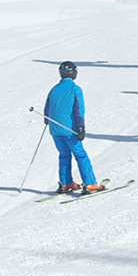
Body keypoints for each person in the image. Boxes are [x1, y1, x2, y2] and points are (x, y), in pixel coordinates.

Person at [44, 61, 103, 195]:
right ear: (74, 73)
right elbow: (78, 110)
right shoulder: (75, 89)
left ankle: (66, 183)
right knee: (81, 155)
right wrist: (81, 127)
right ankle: (90, 183)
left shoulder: (54, 89)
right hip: (69, 129)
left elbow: (47, 108)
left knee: (64, 155)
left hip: (55, 129)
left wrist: (47, 120)